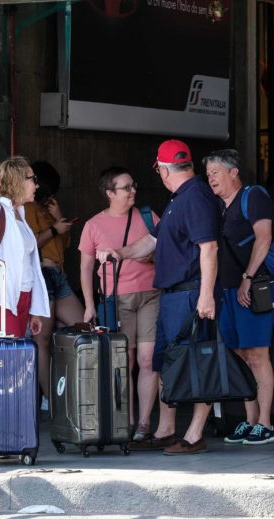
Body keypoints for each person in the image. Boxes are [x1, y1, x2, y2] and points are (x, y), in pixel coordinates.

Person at [97, 139, 220, 455]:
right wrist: (119, 253)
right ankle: (166, 429)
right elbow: (151, 241)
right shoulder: (179, 198)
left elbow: (209, 248)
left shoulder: (195, 197)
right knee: (169, 363)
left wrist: (206, 296)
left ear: (163, 170)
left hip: (190, 293)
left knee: (195, 362)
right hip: (172, 294)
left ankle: (194, 434)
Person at [79, 166, 160, 440]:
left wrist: (152, 259)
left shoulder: (148, 217)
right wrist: (90, 305)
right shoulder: (93, 225)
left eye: (133, 185)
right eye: (126, 188)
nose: (133, 190)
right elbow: (86, 268)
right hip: (116, 300)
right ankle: (125, 420)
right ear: (110, 193)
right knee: (123, 362)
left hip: (151, 294)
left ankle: (144, 424)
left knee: (147, 359)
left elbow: (170, 251)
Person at [204, 149, 274, 444]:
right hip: (227, 291)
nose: (210, 179)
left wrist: (247, 278)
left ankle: (266, 423)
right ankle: (250, 419)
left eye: (215, 173)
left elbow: (265, 237)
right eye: (207, 175)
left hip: (254, 287)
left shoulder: (253, 196)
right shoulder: (218, 207)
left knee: (257, 354)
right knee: (240, 353)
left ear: (234, 172)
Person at [24, 161, 84, 407]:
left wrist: (59, 220)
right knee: (43, 340)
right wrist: (54, 228)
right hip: (42, 274)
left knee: (85, 326)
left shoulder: (47, 209)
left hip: (58, 275)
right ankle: (50, 399)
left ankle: (72, 392)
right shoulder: (26, 208)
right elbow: (30, 244)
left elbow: (64, 244)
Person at [0, 156, 50, 339]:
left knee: (16, 354)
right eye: (33, 179)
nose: (36, 186)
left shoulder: (19, 213)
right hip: (2, 297)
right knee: (8, 357)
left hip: (23, 297)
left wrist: (34, 310)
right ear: (17, 180)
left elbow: (29, 264)